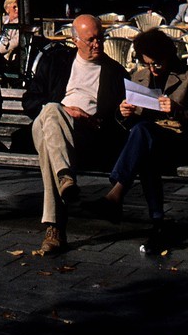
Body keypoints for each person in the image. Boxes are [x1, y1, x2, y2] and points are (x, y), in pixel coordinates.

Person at [95, 26, 188, 252]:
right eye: (147, 64)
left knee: (143, 135)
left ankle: (116, 193)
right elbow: (127, 120)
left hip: (179, 142)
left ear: (168, 56)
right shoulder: (138, 76)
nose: (152, 69)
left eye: (157, 63)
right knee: (145, 145)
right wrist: (123, 112)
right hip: (148, 142)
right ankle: (158, 224)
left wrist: (176, 109)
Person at [23, 13, 127, 256]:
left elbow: (120, 119)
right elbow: (29, 100)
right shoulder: (56, 61)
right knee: (50, 110)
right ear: (75, 40)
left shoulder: (115, 72)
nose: (97, 44)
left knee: (50, 137)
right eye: (90, 40)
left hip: (86, 135)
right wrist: (64, 110)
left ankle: (55, 229)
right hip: (50, 124)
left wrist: (92, 120)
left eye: (100, 38)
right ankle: (65, 177)